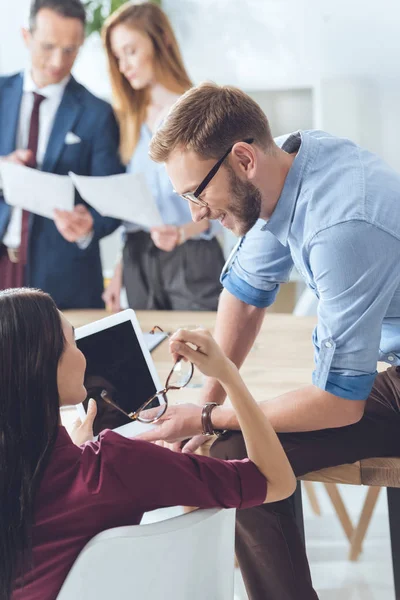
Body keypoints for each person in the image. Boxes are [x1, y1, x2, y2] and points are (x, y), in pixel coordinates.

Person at [134, 82, 400, 600]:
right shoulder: (285, 165)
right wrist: (205, 402)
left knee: (237, 444)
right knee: (233, 452)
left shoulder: (341, 226)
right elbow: (246, 293)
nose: (196, 214)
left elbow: (339, 403)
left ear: (243, 158)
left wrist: (209, 418)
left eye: (196, 193)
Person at [0, 288, 295, 600]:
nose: (82, 353)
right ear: (44, 365)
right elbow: (276, 481)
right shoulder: (115, 466)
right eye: (72, 341)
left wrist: (77, 449)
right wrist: (227, 375)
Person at [0, 0, 124, 309]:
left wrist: (89, 226)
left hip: (63, 282)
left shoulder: (98, 113)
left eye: (70, 50)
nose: (58, 61)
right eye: (48, 47)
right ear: (26, 38)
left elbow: (112, 202)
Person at [101, 2, 224, 311]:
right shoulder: (127, 119)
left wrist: (182, 232)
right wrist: (118, 274)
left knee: (200, 353)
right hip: (137, 259)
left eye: (130, 51)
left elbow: (223, 202)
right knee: (146, 354)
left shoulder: (201, 110)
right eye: (117, 57)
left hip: (190, 258)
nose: (123, 65)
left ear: (162, 42)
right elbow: (136, 209)